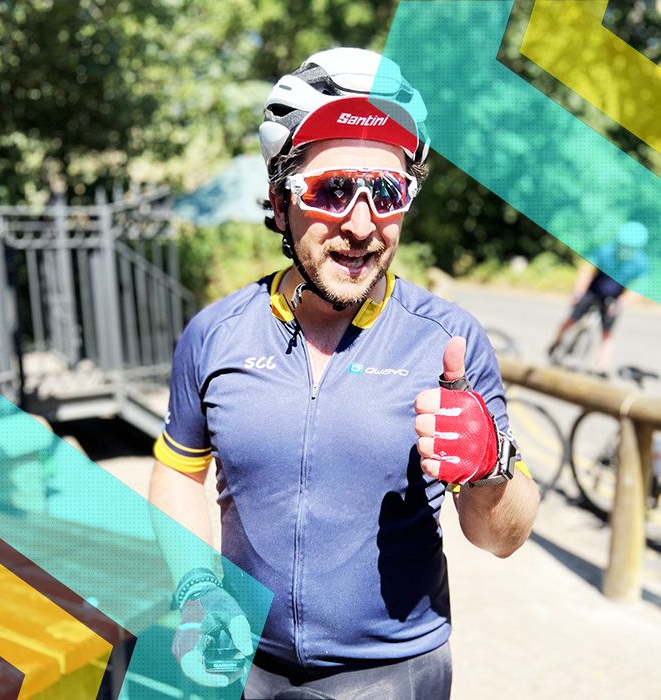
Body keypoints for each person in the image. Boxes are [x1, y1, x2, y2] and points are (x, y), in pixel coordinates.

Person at [149, 47, 540, 699]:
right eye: (333, 190)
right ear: (281, 201)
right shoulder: (214, 334)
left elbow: (502, 538)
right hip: (243, 662)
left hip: (393, 673)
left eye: (386, 192)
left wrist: (490, 464)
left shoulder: (449, 341)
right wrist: (194, 589)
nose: (362, 225)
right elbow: (179, 471)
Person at [548, 221, 650, 375]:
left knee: (607, 332)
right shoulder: (606, 250)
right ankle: (555, 343)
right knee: (572, 319)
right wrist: (578, 292)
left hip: (614, 297)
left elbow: (639, 288)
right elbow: (586, 270)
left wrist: (622, 303)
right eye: (624, 245)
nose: (626, 250)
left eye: (631, 248)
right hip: (593, 290)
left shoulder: (641, 262)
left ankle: (603, 366)